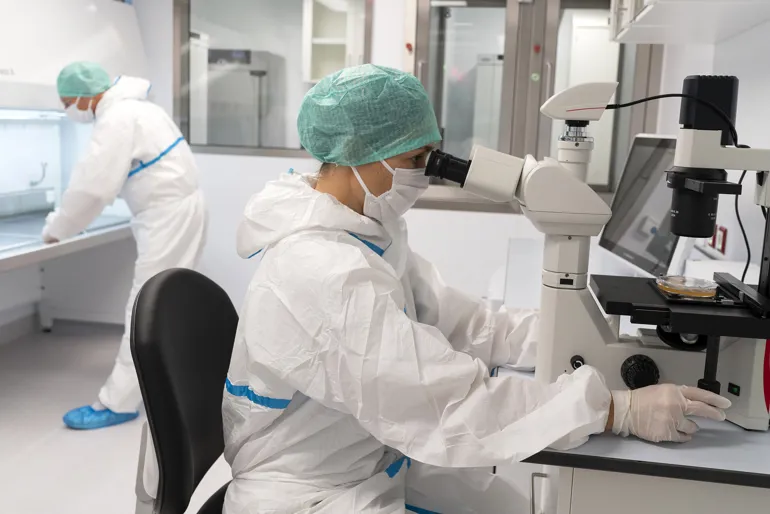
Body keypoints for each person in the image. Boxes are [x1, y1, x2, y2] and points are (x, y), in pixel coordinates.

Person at [222, 64, 730, 514]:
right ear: (366, 155)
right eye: (418, 158)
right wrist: (616, 410)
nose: (427, 174)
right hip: (313, 493)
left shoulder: (367, 231)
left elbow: (464, 323)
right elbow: (445, 401)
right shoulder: (320, 271)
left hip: (372, 458)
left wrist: (570, 335)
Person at [46, 62, 208, 430]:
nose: (67, 109)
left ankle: (117, 402)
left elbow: (91, 188)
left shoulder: (118, 118)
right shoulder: (138, 109)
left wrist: (57, 228)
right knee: (168, 302)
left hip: (168, 215)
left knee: (145, 306)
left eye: (68, 101)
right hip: (179, 210)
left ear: (86, 96)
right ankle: (171, 384)